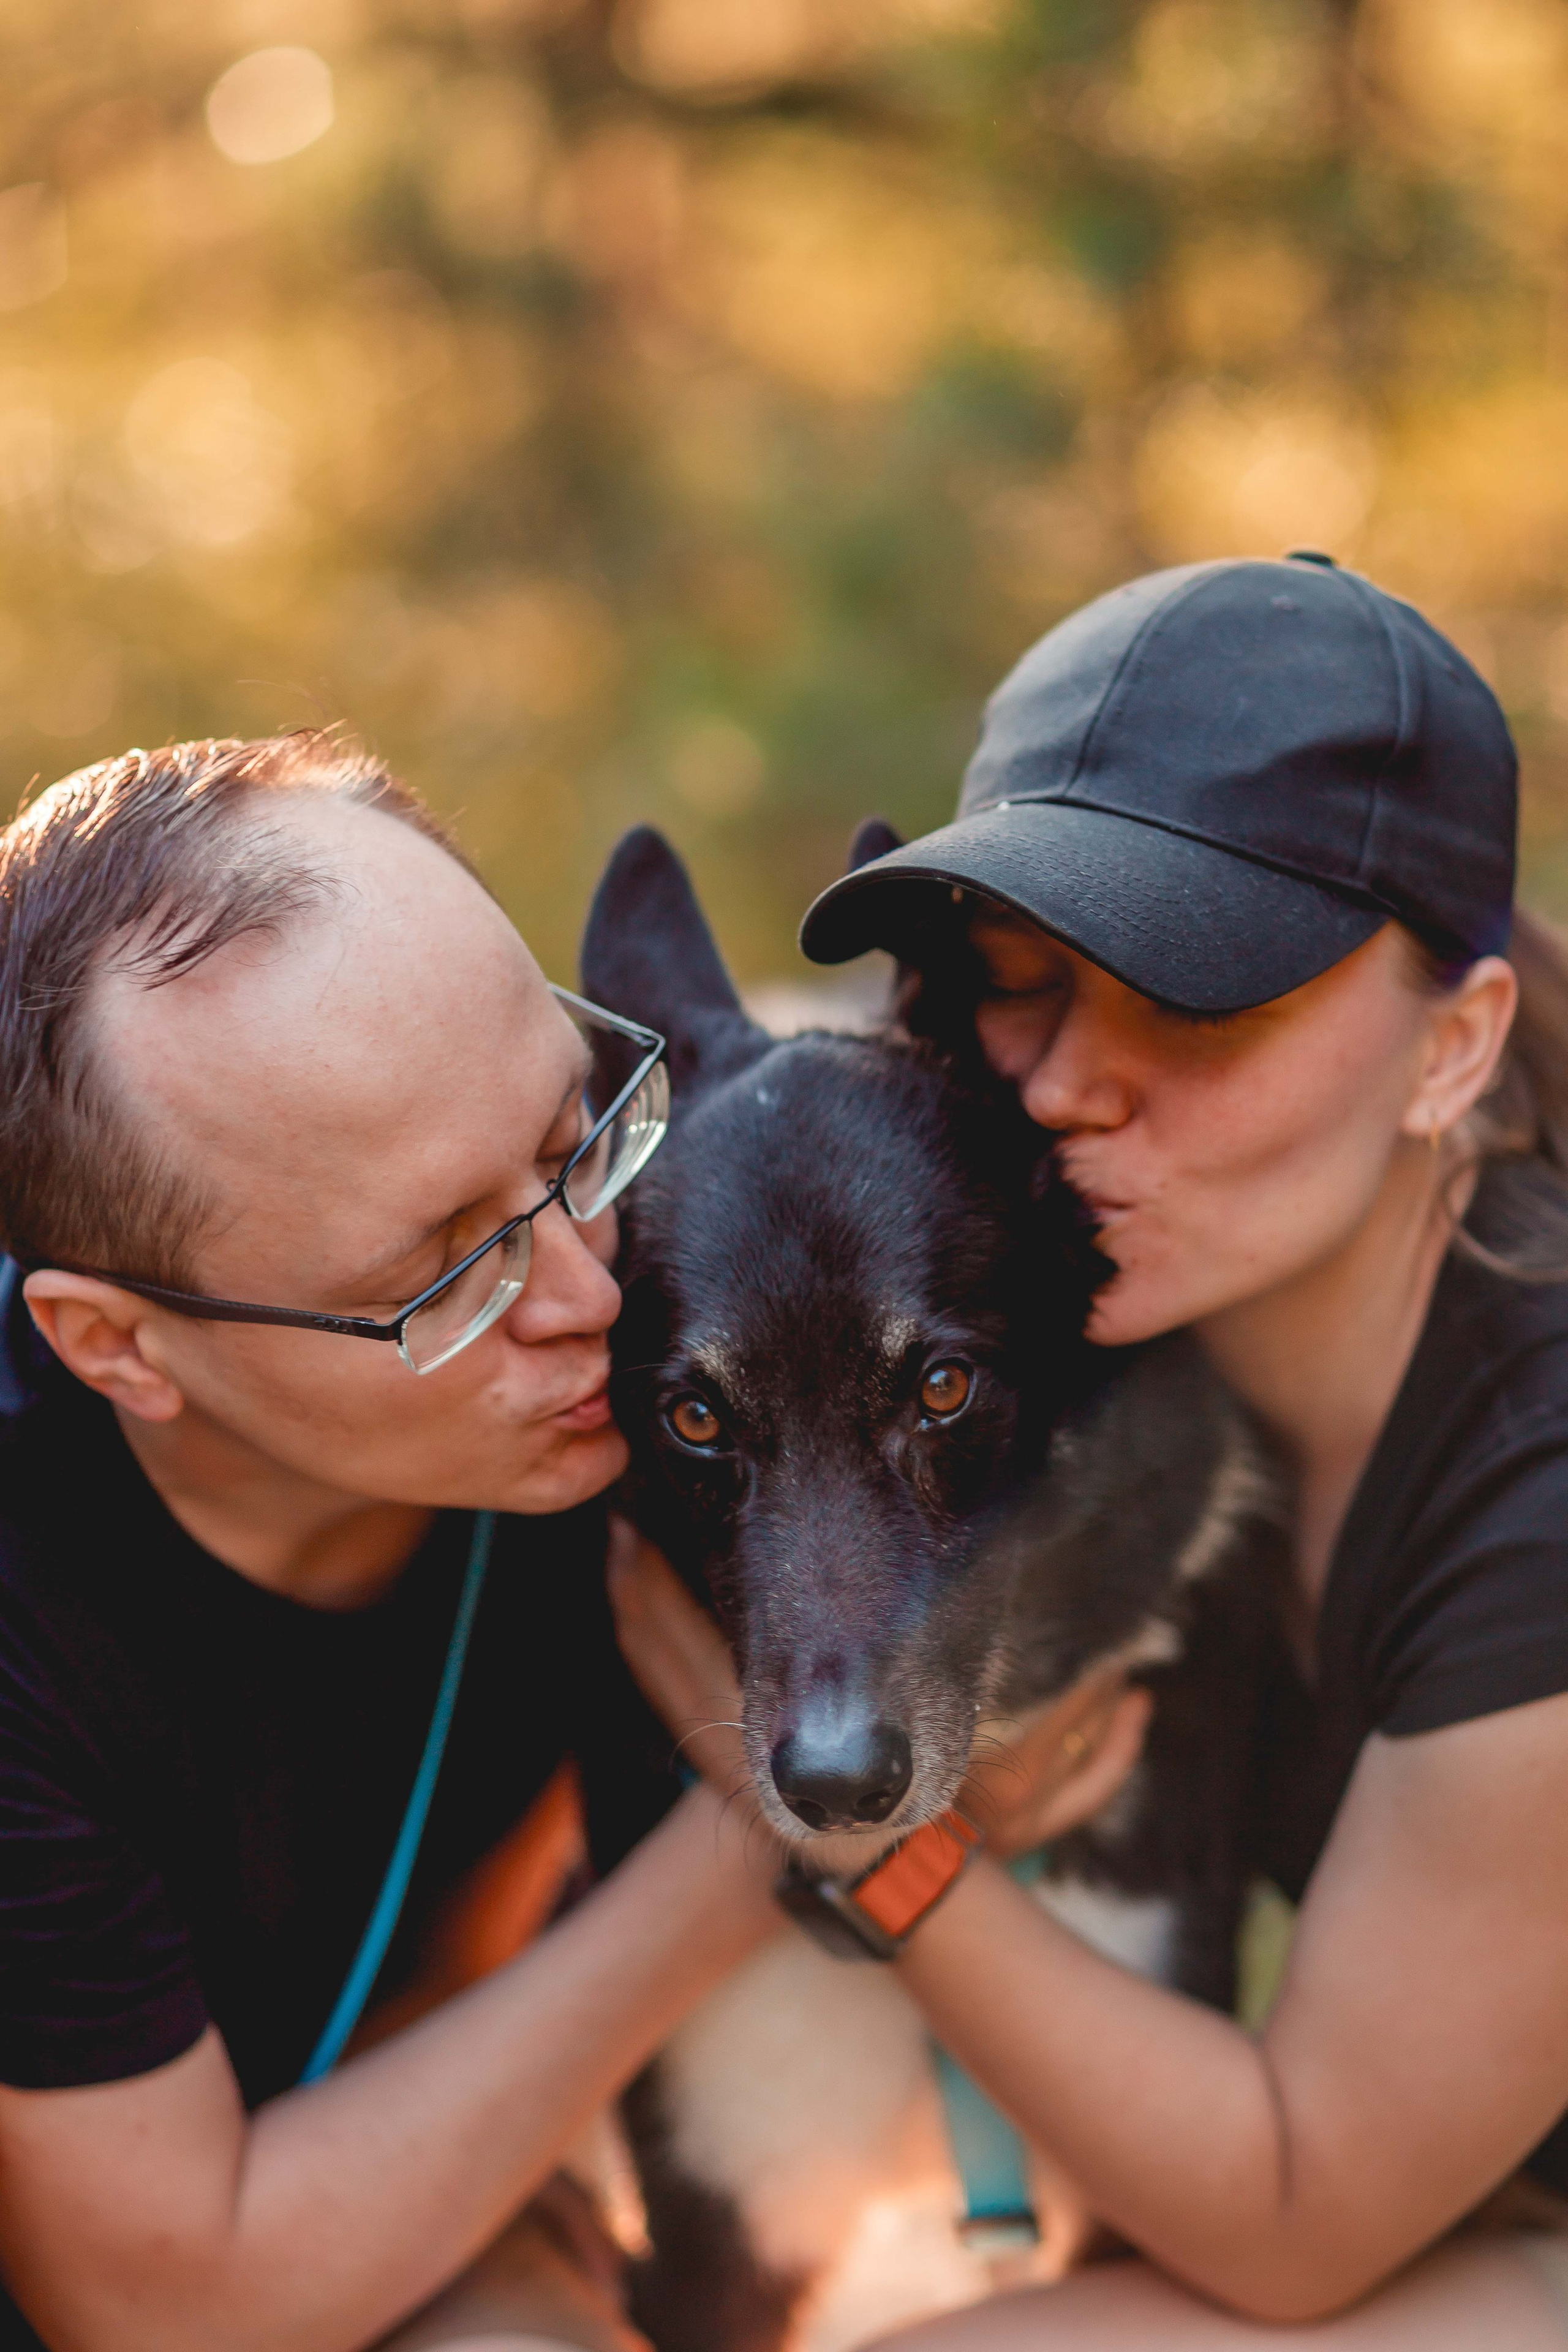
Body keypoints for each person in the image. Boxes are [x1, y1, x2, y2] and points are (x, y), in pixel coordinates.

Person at [611, 554, 1568, 2345]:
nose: (1061, 1083)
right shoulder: (1161, 1352)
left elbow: (1292, 2226)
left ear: (1457, 1047)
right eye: (1024, 979)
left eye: (1199, 1002)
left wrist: (878, 1853)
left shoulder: (1542, 1496)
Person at [0, 733, 781, 2352]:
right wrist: (756, 1852)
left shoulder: (640, 1307)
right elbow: (160, 2305)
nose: (589, 1295)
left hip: (377, 2163)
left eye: (577, 1139)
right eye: (449, 1274)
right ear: (120, 1349)